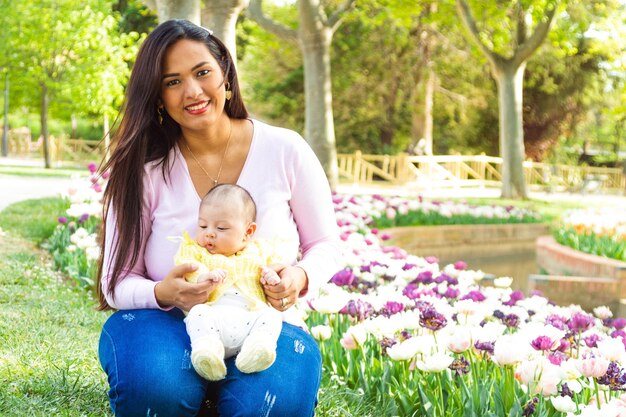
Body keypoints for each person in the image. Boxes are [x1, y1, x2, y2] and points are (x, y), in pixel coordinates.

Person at [96, 19, 340, 417]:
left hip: (266, 325)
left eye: (202, 72)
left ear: (226, 74)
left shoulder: (285, 149)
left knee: (271, 408)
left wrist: (300, 277)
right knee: (156, 390)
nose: (192, 91)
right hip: (165, 324)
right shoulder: (143, 170)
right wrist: (163, 293)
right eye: (171, 82)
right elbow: (115, 282)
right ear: (157, 97)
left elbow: (326, 245)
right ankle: (189, 389)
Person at [175, 184, 285, 382]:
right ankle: (208, 352)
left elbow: (275, 269)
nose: (209, 233)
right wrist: (203, 278)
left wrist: (272, 278)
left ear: (248, 232)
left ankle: (258, 348)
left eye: (221, 228)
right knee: (198, 314)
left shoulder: (259, 252)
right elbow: (188, 269)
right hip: (214, 318)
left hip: (250, 319)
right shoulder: (198, 252)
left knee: (271, 316)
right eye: (202, 226)